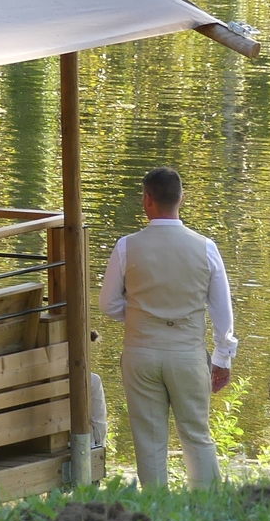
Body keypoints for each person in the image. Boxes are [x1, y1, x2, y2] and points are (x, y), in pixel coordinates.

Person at [99, 167, 237, 488]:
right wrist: (223, 359)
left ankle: (156, 510)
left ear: (147, 200)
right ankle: (207, 508)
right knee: (196, 435)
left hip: (141, 354)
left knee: (148, 440)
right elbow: (222, 313)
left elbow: (108, 304)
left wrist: (137, 318)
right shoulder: (206, 248)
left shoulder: (125, 246)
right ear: (181, 199)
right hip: (188, 354)